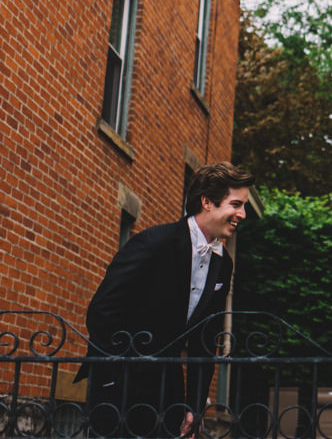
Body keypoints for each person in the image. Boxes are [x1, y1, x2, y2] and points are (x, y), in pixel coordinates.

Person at [76, 162, 254, 437]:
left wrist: (194, 406)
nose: (241, 214)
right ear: (207, 202)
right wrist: (115, 373)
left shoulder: (224, 264)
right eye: (236, 204)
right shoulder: (154, 242)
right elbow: (102, 311)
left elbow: (205, 340)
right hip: (119, 384)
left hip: (169, 391)